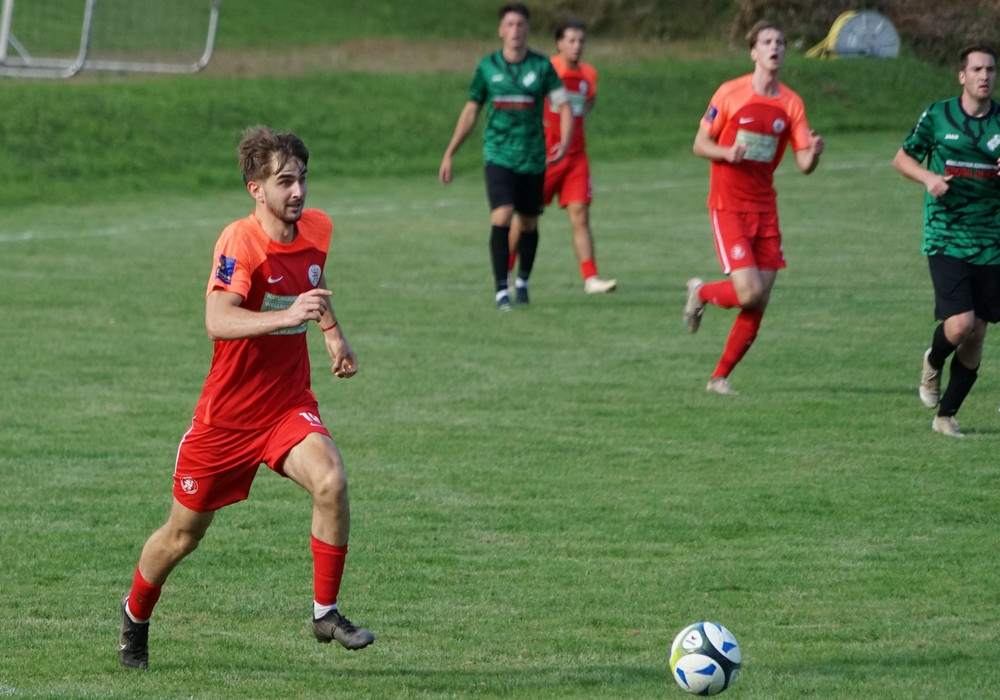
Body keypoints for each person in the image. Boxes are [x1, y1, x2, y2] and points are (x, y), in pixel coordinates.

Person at [118, 126, 375, 669]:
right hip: (227, 420)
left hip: (286, 406)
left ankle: (325, 612)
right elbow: (218, 319)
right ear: (255, 189)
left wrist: (332, 333)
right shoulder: (240, 241)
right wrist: (288, 316)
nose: (298, 191)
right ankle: (135, 613)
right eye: (284, 182)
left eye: (302, 179)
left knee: (331, 479)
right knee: (182, 537)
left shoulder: (317, 228)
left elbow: (310, 278)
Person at [683, 20, 824, 395]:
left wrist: (814, 152)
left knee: (760, 299)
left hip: (765, 209)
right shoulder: (730, 93)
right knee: (748, 292)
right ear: (753, 52)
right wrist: (726, 152)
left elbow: (804, 164)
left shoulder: (791, 103)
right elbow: (699, 143)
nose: (775, 47)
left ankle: (719, 378)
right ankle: (701, 293)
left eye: (780, 42)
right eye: (767, 42)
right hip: (728, 206)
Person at [892, 44, 1000, 438]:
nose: (984, 76)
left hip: (991, 238)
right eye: (977, 69)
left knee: (978, 332)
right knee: (960, 325)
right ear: (962, 75)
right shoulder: (938, 115)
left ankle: (946, 416)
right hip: (946, 233)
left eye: (990, 69)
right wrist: (928, 178)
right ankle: (934, 360)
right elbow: (902, 158)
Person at [439, 3, 573, 311]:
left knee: (528, 222)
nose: (515, 30)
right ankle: (501, 289)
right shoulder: (487, 67)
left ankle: (522, 280)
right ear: (501, 30)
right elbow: (471, 110)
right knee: (502, 215)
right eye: (510, 24)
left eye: (520, 24)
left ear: (528, 30)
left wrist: (564, 142)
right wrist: (450, 152)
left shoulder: (541, 66)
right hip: (498, 154)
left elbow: (564, 105)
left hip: (533, 156)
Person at [508, 19, 617, 295]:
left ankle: (591, 279)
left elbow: (587, 102)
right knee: (526, 219)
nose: (577, 46)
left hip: (576, 157)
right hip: (544, 158)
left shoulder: (588, 74)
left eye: (581, 41)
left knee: (580, 215)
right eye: (571, 40)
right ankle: (505, 273)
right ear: (559, 43)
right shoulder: (545, 70)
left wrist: (573, 126)